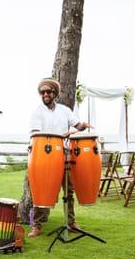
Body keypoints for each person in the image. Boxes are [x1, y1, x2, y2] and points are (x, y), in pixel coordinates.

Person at [21, 77, 91, 238]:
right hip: (44, 157)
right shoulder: (37, 111)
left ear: (55, 93)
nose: (45, 94)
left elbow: (76, 124)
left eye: (48, 91)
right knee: (40, 190)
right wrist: (59, 136)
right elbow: (35, 134)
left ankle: (71, 222)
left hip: (65, 155)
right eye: (42, 92)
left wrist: (82, 126)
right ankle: (37, 225)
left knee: (69, 191)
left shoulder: (65, 110)